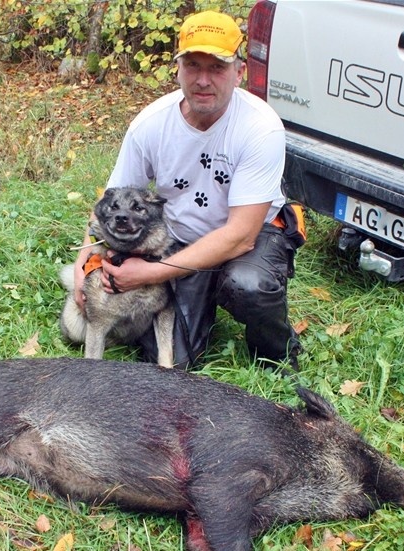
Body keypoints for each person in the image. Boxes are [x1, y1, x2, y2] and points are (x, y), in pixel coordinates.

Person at [70, 10, 303, 370]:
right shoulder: (150, 125)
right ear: (176, 69)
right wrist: (83, 265)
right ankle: (199, 303)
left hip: (252, 237)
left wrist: (152, 273)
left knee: (248, 283)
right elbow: (108, 202)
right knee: (174, 361)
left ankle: (277, 354)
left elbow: (240, 236)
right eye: (193, 65)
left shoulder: (261, 128)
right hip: (180, 240)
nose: (203, 80)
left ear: (239, 73)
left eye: (217, 68)